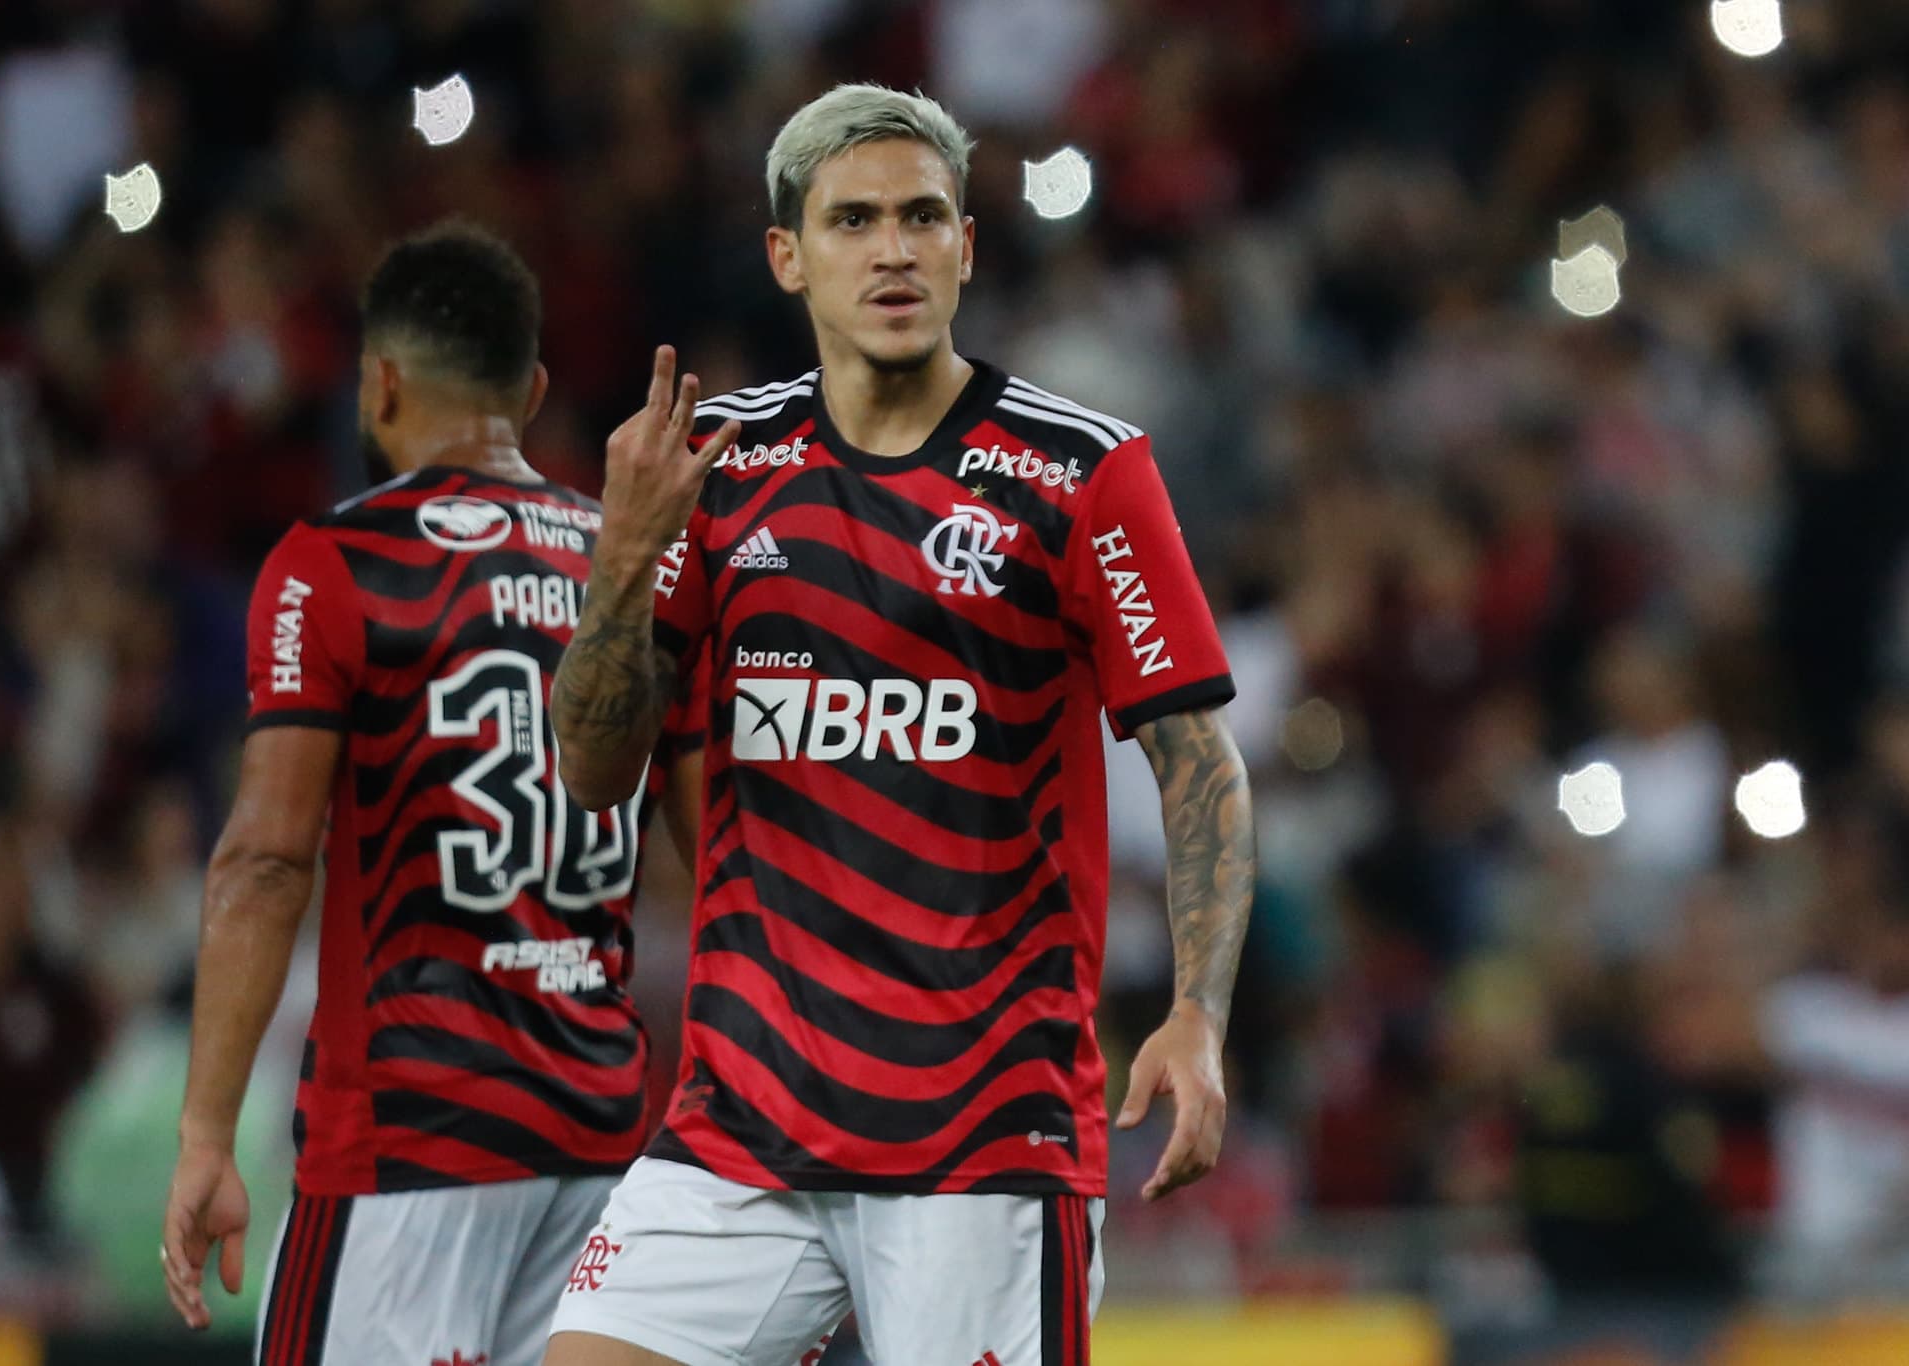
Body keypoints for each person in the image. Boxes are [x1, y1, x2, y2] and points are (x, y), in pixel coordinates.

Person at [546, 85, 1254, 1366]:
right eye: (853, 219)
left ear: (966, 248)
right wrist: (623, 561)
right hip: (739, 1128)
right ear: (787, 255)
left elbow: (1197, 760)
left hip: (981, 1140)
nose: (892, 248)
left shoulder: (1085, 471)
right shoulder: (715, 470)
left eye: (922, 217)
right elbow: (594, 772)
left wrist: (1197, 1012)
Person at [159, 221, 703, 1366]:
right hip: (598, 1138)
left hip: (410, 1138)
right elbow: (715, 853)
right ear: (536, 387)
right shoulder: (623, 563)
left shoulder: (334, 563)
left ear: (381, 382)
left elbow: (264, 858)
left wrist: (208, 1133)